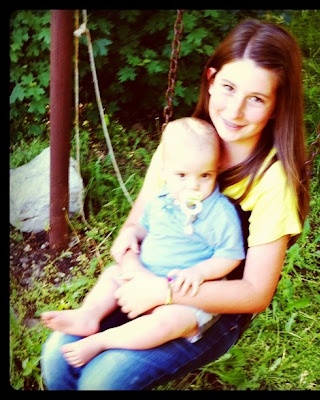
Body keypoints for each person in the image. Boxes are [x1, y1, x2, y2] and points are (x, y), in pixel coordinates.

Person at [41, 18, 309, 390]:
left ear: (277, 106)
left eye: (256, 99)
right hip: (149, 273)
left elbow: (255, 292)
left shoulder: (272, 182)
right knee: (56, 356)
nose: (235, 110)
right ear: (211, 80)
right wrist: (132, 262)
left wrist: (163, 291)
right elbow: (136, 226)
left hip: (213, 305)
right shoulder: (184, 143)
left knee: (103, 380)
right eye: (229, 87)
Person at [41, 117, 245, 368]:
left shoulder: (219, 212)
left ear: (216, 169)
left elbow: (230, 255)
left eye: (205, 175)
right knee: (112, 275)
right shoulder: (161, 200)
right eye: (182, 175)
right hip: (144, 276)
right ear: (164, 172)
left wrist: (199, 272)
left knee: (167, 323)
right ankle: (89, 315)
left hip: (183, 293)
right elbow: (143, 227)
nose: (193, 185)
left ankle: (103, 341)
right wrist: (131, 233)